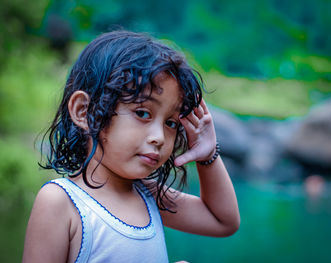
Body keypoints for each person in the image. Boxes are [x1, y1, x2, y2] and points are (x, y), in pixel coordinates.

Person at [22, 30, 240, 263]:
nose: (159, 137)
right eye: (142, 113)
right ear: (84, 111)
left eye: (170, 123)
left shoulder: (150, 196)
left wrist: (208, 156)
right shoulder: (62, 202)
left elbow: (222, 221)